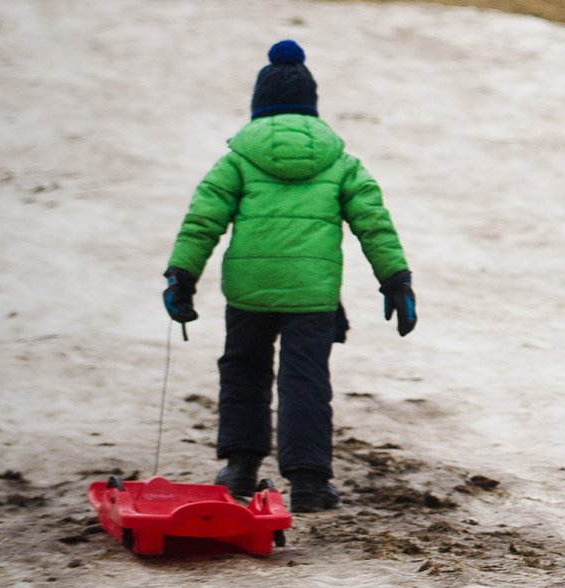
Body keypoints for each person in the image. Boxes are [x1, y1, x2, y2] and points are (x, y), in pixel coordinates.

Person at [160, 40, 416, 514]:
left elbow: (202, 221)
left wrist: (182, 276)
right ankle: (310, 484)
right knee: (305, 381)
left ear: (260, 107)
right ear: (311, 108)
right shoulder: (341, 163)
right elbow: (373, 224)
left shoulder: (237, 161)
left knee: (244, 370)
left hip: (248, 293)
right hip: (312, 297)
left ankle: (240, 467)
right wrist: (395, 280)